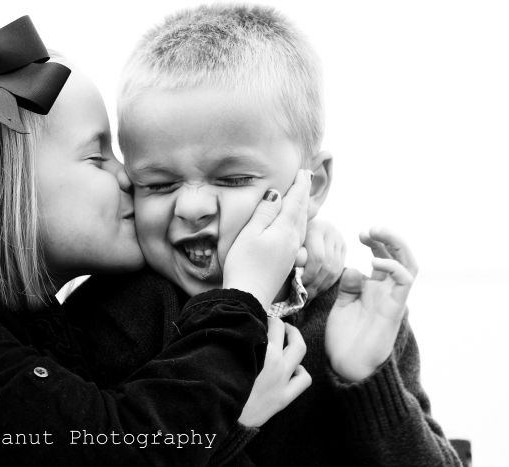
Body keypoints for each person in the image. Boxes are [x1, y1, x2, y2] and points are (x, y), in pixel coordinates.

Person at [0, 16, 322, 466]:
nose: (129, 177)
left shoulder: (23, 328)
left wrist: (298, 249)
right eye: (97, 155)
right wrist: (244, 299)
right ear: (0, 187)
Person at [64, 4, 463, 466]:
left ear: (309, 187)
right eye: (159, 184)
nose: (191, 207)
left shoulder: (353, 312)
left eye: (232, 179)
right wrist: (231, 426)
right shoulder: (112, 315)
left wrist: (369, 380)